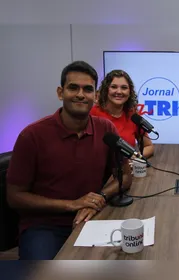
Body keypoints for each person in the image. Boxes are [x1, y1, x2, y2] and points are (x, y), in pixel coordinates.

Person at [6, 61, 132, 260]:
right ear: (60, 92)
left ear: (96, 96)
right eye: (73, 87)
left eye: (88, 89)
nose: (81, 94)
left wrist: (97, 198)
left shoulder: (106, 129)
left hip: (92, 217)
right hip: (45, 226)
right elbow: (14, 196)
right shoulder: (32, 135)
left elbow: (124, 175)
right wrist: (72, 204)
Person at [90, 70, 154, 158]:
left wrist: (134, 158)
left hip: (125, 170)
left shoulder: (132, 115)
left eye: (124, 88)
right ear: (106, 90)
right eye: (114, 87)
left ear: (129, 92)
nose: (119, 92)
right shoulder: (92, 114)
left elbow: (148, 147)